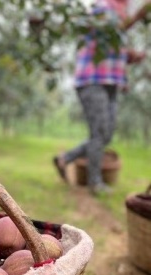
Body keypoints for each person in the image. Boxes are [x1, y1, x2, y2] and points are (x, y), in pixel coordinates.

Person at [53, 0, 150, 195]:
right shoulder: (102, 8)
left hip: (112, 82)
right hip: (92, 79)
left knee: (106, 134)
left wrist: (130, 56)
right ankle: (94, 182)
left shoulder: (120, 17)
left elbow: (112, 46)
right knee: (99, 133)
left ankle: (65, 159)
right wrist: (140, 13)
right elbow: (110, 30)